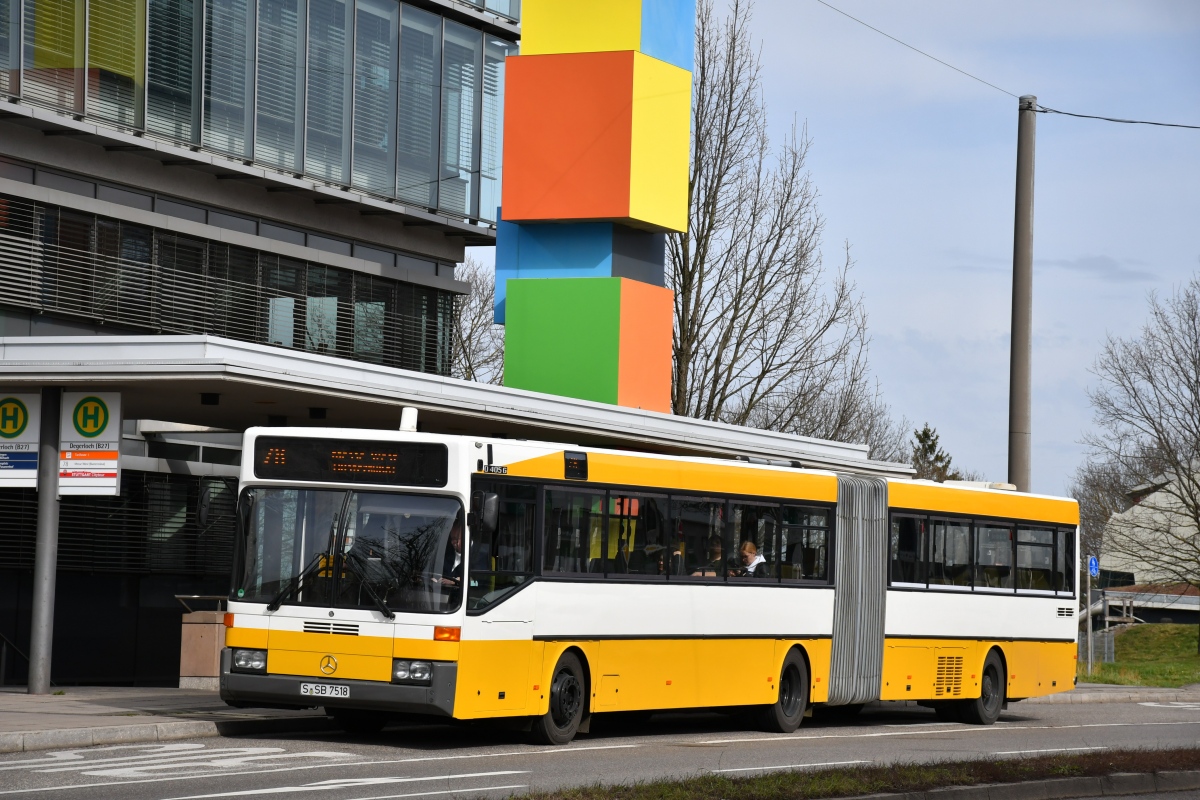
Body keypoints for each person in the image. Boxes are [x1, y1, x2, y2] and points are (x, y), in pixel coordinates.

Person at [441, 518, 464, 587]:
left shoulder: (480, 556)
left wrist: (456, 581)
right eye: (452, 539)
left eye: (456, 539)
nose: (453, 542)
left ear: (465, 536)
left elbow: (478, 583)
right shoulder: (446, 554)